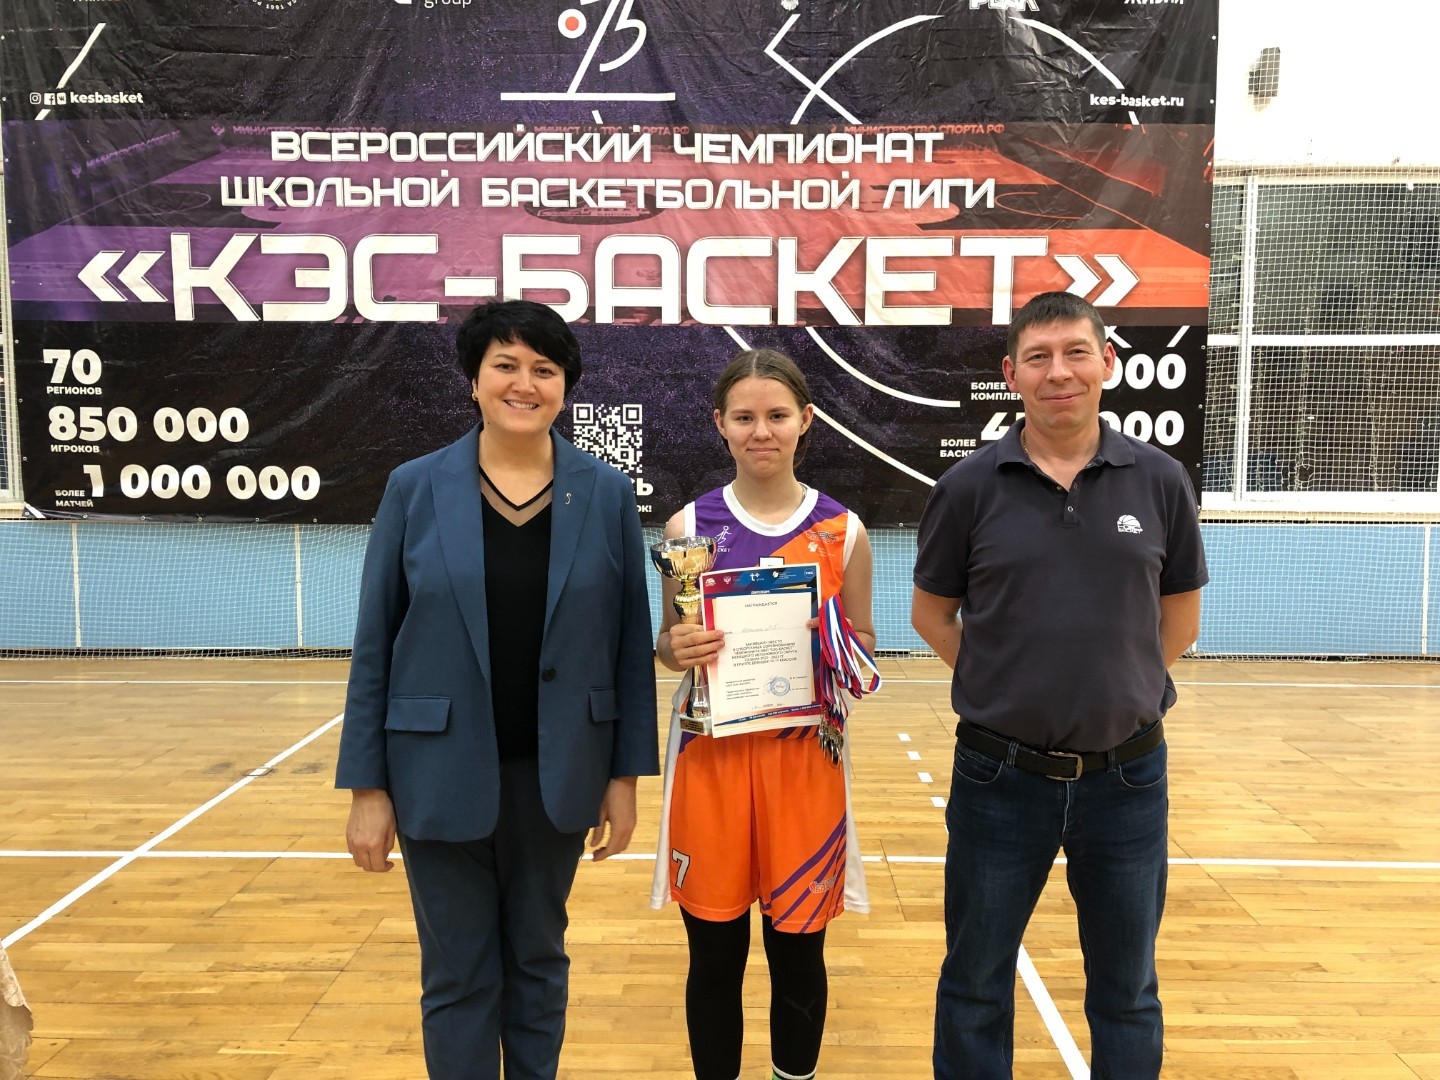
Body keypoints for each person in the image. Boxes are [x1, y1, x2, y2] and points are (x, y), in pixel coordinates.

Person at [336, 299, 659, 1080]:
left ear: (564, 387)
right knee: (457, 976)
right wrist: (367, 788)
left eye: (543, 369)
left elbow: (627, 644)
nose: (524, 383)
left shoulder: (607, 494)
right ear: (474, 380)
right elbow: (375, 643)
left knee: (539, 962)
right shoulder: (414, 488)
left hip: (560, 777)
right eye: (505, 365)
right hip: (435, 775)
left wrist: (624, 778)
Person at [911, 291, 1207, 1080]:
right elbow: (932, 614)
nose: (1059, 372)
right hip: (997, 778)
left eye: (1076, 352)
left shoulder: (1161, 480)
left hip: (1129, 780)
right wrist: (1003, 684)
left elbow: (1180, 616)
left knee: (1127, 990)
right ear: (1012, 375)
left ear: (1107, 363)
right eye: (1038, 358)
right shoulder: (968, 487)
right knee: (975, 983)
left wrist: (1123, 685)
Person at [650, 349, 877, 1080]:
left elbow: (865, 648)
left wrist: (833, 642)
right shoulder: (690, 522)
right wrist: (678, 646)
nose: (761, 431)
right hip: (711, 761)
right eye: (744, 417)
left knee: (798, 954)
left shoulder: (845, 530)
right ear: (719, 424)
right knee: (714, 955)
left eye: (777, 416)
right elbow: (668, 643)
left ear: (805, 421)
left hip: (805, 763)